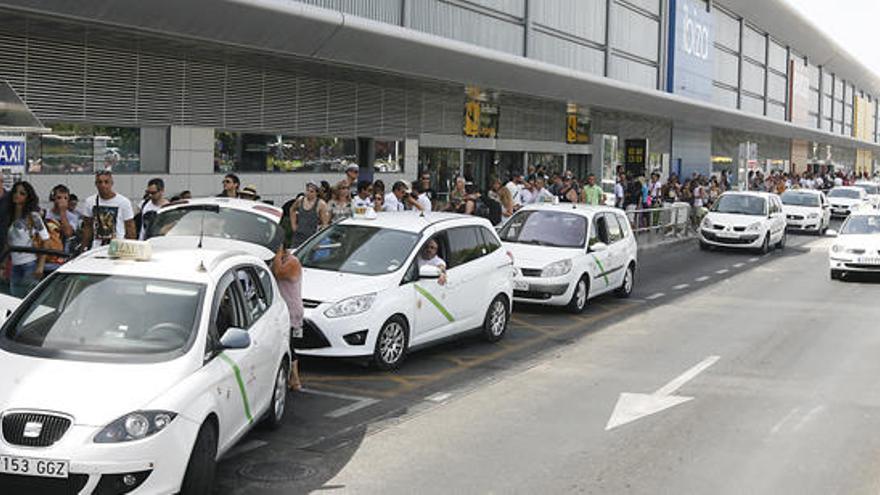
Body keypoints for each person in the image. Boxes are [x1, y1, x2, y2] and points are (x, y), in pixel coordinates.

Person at [6, 181, 49, 297]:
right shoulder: (9, 215)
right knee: (14, 298)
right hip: (14, 265)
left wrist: (40, 265)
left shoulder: (33, 216)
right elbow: (7, 243)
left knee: (28, 299)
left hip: (30, 264)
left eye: (22, 193)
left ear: (28, 197)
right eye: (15, 192)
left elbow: (46, 240)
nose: (17, 195)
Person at [272, 245, 303, 391]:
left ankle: (295, 379)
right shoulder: (279, 260)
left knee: (288, 344)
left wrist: (277, 252)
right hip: (281, 309)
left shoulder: (292, 262)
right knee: (286, 343)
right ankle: (293, 378)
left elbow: (278, 272)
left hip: (291, 310)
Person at [81, 171, 136, 251]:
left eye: (106, 182)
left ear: (111, 183)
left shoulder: (123, 202)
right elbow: (87, 227)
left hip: (118, 247)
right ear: (96, 184)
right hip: (97, 248)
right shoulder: (90, 201)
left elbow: (130, 227)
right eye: (100, 182)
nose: (103, 185)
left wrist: (131, 248)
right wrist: (84, 247)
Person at [44, 184, 80, 271]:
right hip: (46, 257)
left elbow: (68, 233)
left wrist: (63, 212)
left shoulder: (72, 217)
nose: (62, 201)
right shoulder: (45, 214)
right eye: (59, 198)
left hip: (62, 259)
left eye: (65, 198)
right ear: (53, 199)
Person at [290, 182, 330, 247]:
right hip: (298, 235)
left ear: (317, 193)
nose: (308, 193)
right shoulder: (300, 200)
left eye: (311, 191)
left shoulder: (321, 204)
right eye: (307, 190)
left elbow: (324, 223)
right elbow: (292, 210)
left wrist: (319, 239)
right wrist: (293, 225)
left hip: (312, 237)